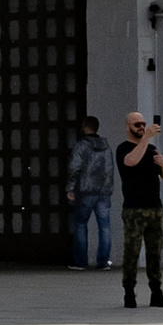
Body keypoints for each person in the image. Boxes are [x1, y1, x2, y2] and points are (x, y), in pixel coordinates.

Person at [116, 105, 163, 310]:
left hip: (155, 208)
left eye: (144, 124)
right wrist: (146, 137)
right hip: (134, 210)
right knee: (132, 251)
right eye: (137, 124)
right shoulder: (124, 148)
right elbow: (130, 162)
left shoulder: (151, 149)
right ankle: (129, 292)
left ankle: (157, 292)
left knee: (155, 252)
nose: (141, 127)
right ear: (128, 126)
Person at [66, 113, 113, 271]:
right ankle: (103, 261)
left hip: (86, 190)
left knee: (80, 225)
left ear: (85, 127)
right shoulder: (106, 147)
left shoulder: (81, 145)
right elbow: (109, 169)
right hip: (103, 192)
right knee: (104, 227)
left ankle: (81, 262)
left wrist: (70, 188)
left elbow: (74, 168)